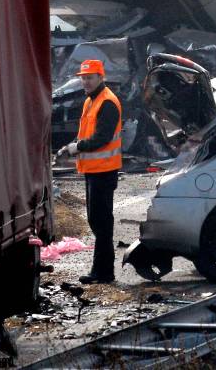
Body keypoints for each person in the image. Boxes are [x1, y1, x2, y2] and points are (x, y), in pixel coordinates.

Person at [64, 59, 122, 284]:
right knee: (97, 222)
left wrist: (76, 147)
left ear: (101, 77)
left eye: (90, 77)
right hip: (94, 170)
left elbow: (102, 138)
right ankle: (102, 271)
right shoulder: (91, 101)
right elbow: (86, 134)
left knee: (101, 223)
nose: (85, 81)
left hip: (104, 172)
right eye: (83, 78)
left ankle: (103, 272)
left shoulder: (107, 102)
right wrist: (71, 145)